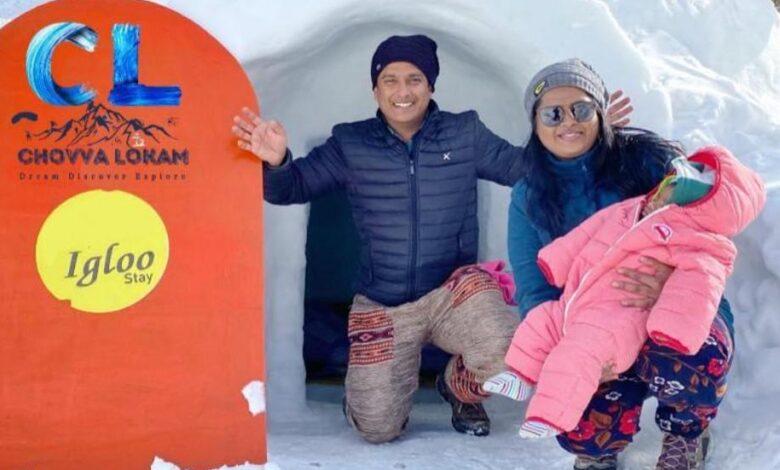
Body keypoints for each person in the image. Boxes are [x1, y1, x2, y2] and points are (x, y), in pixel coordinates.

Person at [231, 36, 632, 443]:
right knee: (376, 428)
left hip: (453, 293)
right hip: (383, 302)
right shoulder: (350, 143)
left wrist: (588, 138)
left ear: (431, 86)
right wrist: (278, 161)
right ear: (375, 90)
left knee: (513, 347)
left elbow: (528, 170)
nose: (402, 91)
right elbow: (292, 187)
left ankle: (459, 387)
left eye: (415, 79)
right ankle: (373, 390)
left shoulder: (464, 133)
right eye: (390, 80)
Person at [498, 58, 745, 470]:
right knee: (582, 428)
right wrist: (571, 347)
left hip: (676, 308)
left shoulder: (650, 163)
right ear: (535, 125)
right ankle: (603, 447)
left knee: (695, 355)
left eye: (581, 109)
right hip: (597, 327)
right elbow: (535, 288)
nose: (568, 122)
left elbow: (711, 225)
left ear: (600, 113)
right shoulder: (529, 196)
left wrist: (672, 282)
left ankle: (686, 431)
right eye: (553, 114)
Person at [485, 146, 764, 444]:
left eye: (673, 193)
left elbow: (699, 287)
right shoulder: (629, 209)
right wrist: (556, 261)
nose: (660, 196)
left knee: (581, 353)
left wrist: (671, 318)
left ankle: (549, 416)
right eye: (664, 187)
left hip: (619, 321)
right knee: (540, 321)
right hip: (577, 303)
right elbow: (588, 233)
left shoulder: (692, 232)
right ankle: (519, 376)